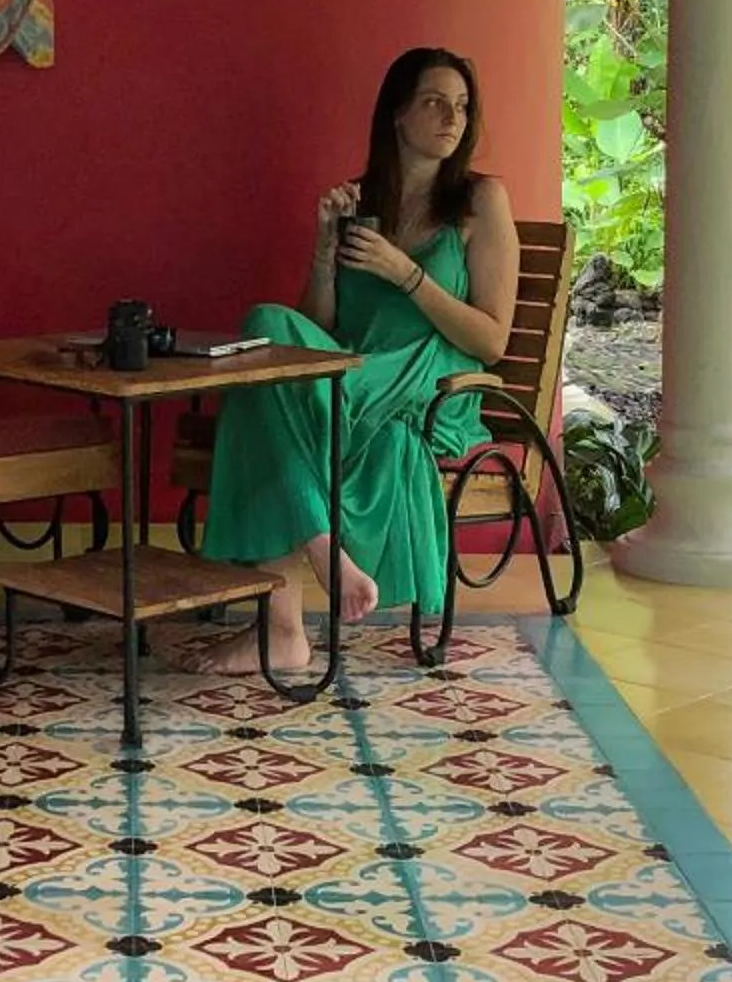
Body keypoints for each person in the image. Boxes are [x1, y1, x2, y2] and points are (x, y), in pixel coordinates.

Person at [170, 47, 522, 675]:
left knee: (262, 396)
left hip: (428, 379)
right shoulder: (363, 200)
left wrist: (406, 273)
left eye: (462, 107)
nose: (451, 119)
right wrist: (324, 251)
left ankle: (282, 627)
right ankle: (318, 552)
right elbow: (320, 327)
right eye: (434, 102)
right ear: (396, 114)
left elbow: (492, 341)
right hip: (350, 373)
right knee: (265, 328)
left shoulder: (478, 201)